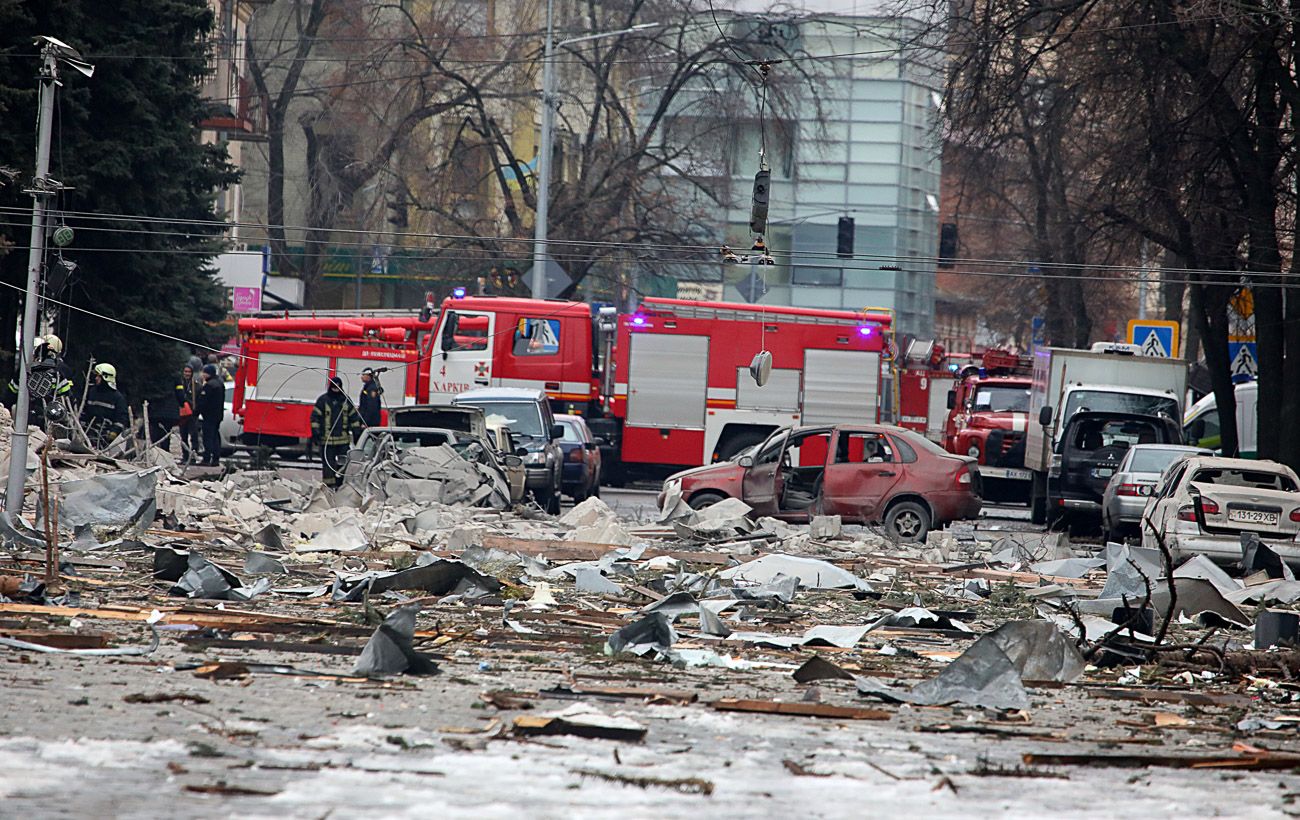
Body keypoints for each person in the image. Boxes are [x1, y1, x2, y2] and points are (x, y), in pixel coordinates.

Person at [6, 334, 73, 427]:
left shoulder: (24, 371)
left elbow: (11, 394)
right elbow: (67, 396)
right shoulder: (57, 371)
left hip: (38, 414)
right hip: (42, 414)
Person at [310, 376, 361, 488]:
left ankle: (341, 485)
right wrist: (316, 432)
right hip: (326, 440)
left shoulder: (346, 401)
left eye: (337, 389)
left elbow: (354, 418)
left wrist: (357, 432)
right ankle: (329, 487)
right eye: (334, 389)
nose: (336, 391)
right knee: (328, 465)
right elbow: (315, 418)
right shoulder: (323, 400)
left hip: (343, 441)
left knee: (343, 464)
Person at [80, 363, 128, 449]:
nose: (96, 378)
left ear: (106, 377)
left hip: (106, 439)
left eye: (99, 376)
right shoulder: (92, 392)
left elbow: (121, 419)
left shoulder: (117, 398)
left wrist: (114, 432)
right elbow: (85, 411)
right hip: (88, 435)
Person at [196, 363, 225, 467]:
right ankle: (216, 458)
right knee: (215, 436)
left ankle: (207, 458)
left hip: (209, 416)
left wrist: (196, 412)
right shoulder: (220, 383)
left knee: (208, 437)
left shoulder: (210, 385)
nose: (203, 375)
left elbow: (203, 402)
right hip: (218, 415)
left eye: (205, 372)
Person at [175, 363, 202, 463]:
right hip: (182, 414)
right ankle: (185, 456)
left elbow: (199, 399)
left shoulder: (197, 385)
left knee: (194, 436)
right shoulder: (180, 384)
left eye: (189, 372)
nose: (187, 374)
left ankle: (193, 456)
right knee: (183, 435)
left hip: (193, 414)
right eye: (185, 372)